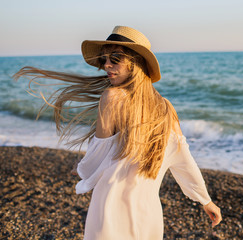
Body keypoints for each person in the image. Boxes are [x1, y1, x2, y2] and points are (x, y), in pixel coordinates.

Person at [14, 26, 222, 239]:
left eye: (115, 58)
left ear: (136, 62)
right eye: (104, 59)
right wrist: (205, 200)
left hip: (111, 206)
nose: (107, 65)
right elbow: (183, 161)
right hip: (148, 211)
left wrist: (83, 174)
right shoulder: (167, 108)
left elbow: (94, 162)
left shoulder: (112, 97)